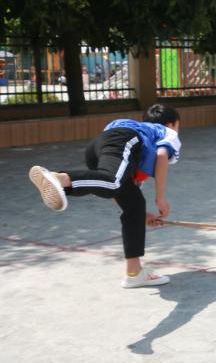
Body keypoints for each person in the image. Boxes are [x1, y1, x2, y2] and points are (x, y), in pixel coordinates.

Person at [28, 104, 182, 288]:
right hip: (124, 140)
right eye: (178, 126)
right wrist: (160, 198)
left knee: (134, 206)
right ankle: (59, 178)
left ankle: (134, 273)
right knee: (113, 182)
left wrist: (142, 215)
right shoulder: (167, 132)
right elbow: (162, 155)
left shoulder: (143, 138)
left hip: (98, 147)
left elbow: (116, 190)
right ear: (172, 124)